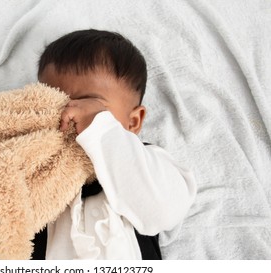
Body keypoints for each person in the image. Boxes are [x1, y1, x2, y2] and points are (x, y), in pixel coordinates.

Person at [32, 29, 197, 260]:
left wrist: (101, 130)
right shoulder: (34, 168)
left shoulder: (147, 162)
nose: (71, 114)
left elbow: (164, 211)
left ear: (133, 121)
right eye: (55, 105)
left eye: (90, 105)